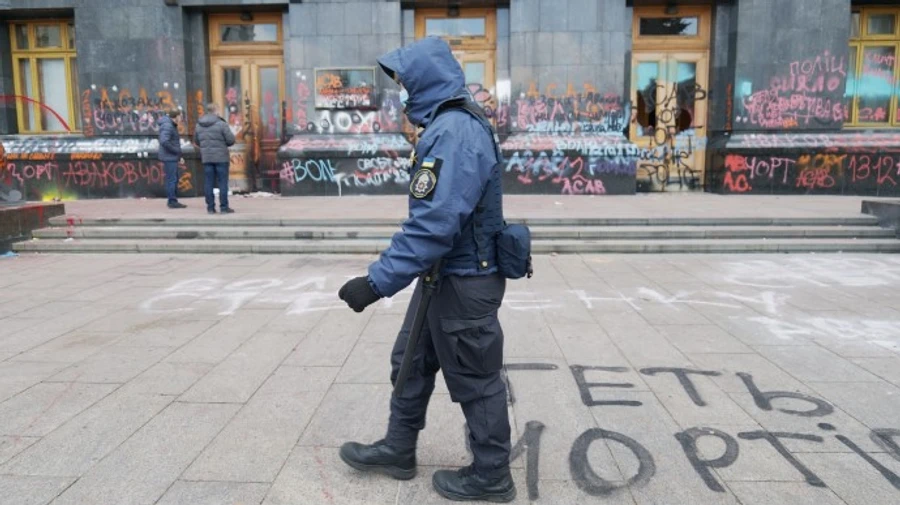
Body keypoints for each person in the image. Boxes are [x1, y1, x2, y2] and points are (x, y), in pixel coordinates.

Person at [337, 37, 515, 503]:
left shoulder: (454, 132)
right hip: (444, 277)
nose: (401, 92)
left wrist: (376, 283)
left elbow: (434, 223)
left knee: (476, 380)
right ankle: (399, 448)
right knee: (411, 359)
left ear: (424, 81)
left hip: (464, 281)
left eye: (405, 81)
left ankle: (492, 475)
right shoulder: (446, 125)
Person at [194, 103, 235, 214]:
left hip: (207, 158)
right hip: (221, 158)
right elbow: (231, 140)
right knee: (222, 183)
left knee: (208, 183)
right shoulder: (221, 124)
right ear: (216, 111)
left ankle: (210, 208)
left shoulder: (199, 124)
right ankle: (224, 207)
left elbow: (197, 141)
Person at [157, 108, 186, 209]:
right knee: (172, 180)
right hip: (169, 157)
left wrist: (178, 155)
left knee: (173, 179)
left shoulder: (169, 125)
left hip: (171, 156)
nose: (181, 118)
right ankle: (172, 201)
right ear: (176, 116)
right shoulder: (168, 126)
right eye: (180, 116)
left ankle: (173, 200)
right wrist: (176, 151)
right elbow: (164, 141)